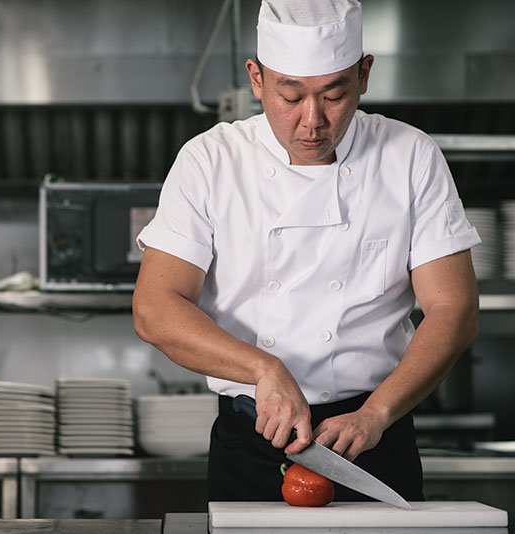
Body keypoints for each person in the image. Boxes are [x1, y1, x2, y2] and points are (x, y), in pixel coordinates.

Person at [132, 0, 480, 503]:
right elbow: (154, 309)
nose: (311, 121)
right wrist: (263, 370)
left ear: (364, 74)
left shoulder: (410, 157)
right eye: (290, 96)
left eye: (334, 95)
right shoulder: (210, 160)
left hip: (374, 438)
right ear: (256, 79)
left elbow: (455, 310)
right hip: (251, 443)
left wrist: (376, 413)